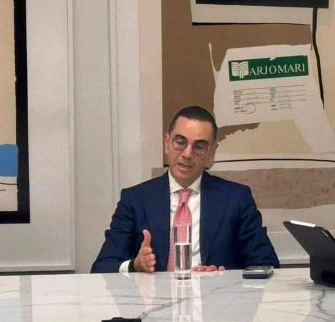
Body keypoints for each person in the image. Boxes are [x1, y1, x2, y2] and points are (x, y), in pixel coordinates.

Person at [91, 106, 279, 273]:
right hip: (154, 299)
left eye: (199, 146)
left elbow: (266, 264)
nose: (187, 154)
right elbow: (102, 267)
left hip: (215, 299)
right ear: (167, 142)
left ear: (212, 152)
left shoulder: (236, 198)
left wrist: (225, 277)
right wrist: (135, 265)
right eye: (180, 142)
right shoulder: (135, 199)